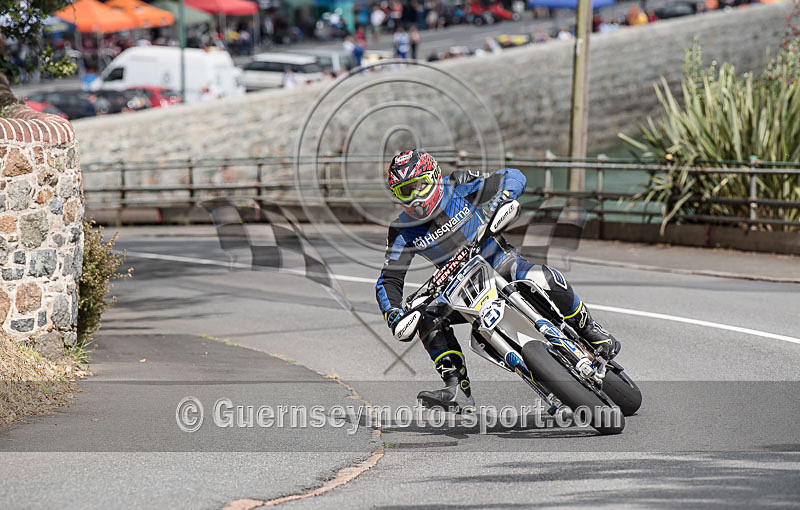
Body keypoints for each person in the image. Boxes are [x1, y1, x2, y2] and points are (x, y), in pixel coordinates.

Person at [375, 150, 621, 412]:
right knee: (428, 318)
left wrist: (502, 199)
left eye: (419, 186)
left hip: (500, 262)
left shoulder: (458, 184)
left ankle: (590, 330)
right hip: (460, 290)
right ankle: (457, 387)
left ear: (434, 177)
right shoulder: (401, 230)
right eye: (405, 191)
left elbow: (513, 176)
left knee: (543, 277)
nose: (414, 197)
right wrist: (394, 313)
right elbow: (389, 279)